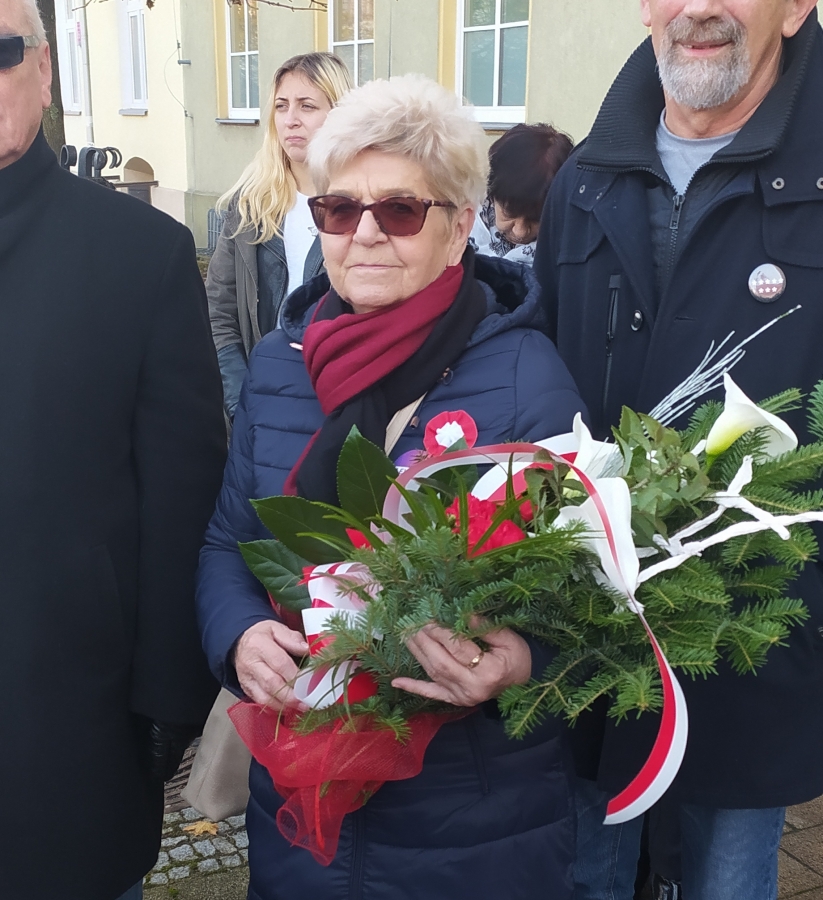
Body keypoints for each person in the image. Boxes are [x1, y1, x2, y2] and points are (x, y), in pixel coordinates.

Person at [197, 74, 586, 900]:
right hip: (302, 807)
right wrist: (238, 636)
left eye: (400, 210)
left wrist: (519, 660)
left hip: (472, 823)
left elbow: (590, 595)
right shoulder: (279, 366)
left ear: (457, 229)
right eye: (339, 209)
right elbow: (229, 540)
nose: (365, 233)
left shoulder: (526, 375)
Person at [534, 1, 823, 899]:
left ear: (797, 6)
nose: (698, 8)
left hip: (755, 631)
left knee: (725, 880)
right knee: (586, 876)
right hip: (589, 625)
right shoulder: (584, 179)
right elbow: (539, 359)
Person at [0, 0, 228, 897]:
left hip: (67, 730)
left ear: (43, 69)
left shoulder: (142, 255)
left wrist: (168, 705)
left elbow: (181, 497)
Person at [207, 52, 352, 419]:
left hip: (334, 406)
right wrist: (242, 403)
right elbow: (218, 313)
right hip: (257, 402)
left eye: (307, 106)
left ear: (340, 113)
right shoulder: (250, 205)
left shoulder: (361, 208)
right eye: (281, 106)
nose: (291, 120)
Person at [470, 122, 573, 266]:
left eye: (536, 219)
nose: (520, 232)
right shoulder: (459, 229)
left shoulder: (568, 253)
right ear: (491, 194)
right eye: (509, 213)